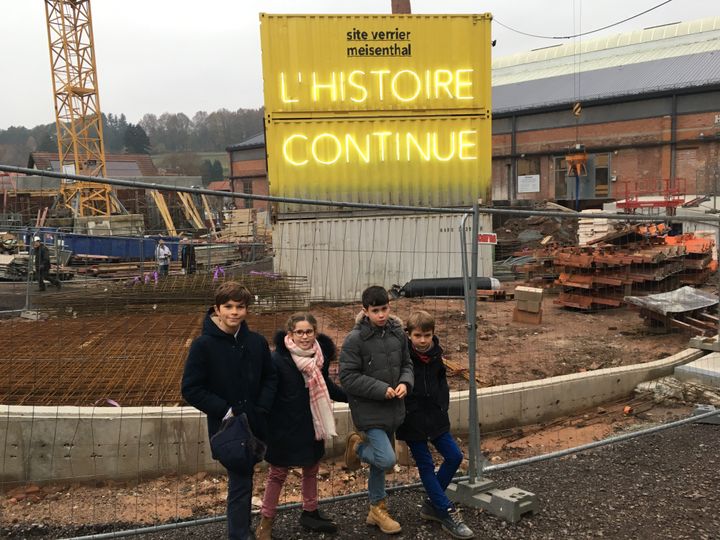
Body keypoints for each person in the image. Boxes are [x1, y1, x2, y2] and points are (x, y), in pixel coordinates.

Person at [181, 282, 277, 540]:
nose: (234, 312)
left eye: (240, 307)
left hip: (255, 422)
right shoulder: (204, 345)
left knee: (245, 478)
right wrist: (226, 410)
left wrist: (262, 407)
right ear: (217, 309)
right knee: (241, 480)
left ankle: (241, 530)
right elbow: (191, 388)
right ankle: (238, 534)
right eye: (228, 307)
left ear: (247, 310)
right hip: (229, 427)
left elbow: (270, 377)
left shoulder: (255, 342)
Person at [256, 313, 348, 539]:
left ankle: (310, 513)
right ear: (290, 334)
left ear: (315, 332)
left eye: (308, 332)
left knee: (311, 468)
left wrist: (351, 397)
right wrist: (260, 418)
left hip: (311, 423)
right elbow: (268, 392)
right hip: (283, 427)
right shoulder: (278, 360)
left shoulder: (319, 356)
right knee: (277, 474)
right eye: (299, 332)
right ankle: (266, 521)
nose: (304, 336)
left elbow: (325, 383)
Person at [339, 285, 413, 535]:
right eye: (375, 310)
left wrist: (405, 382)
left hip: (393, 409)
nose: (381, 315)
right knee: (387, 460)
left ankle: (376, 509)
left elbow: (407, 363)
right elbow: (347, 377)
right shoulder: (355, 339)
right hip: (369, 412)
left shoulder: (397, 333)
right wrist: (380, 388)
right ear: (365, 311)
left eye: (384, 309)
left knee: (379, 466)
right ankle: (357, 447)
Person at [396, 310, 474, 539]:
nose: (422, 340)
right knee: (426, 465)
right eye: (418, 335)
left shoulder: (436, 354)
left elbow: (442, 382)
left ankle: (432, 502)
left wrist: (443, 405)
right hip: (413, 419)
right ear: (409, 335)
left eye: (427, 335)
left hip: (436, 416)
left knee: (454, 457)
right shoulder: (403, 356)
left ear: (433, 334)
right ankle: (446, 511)